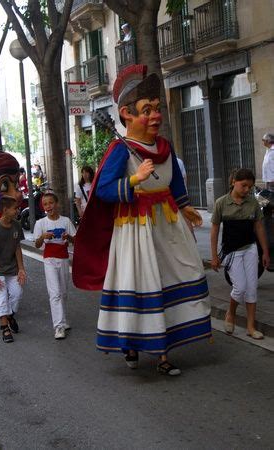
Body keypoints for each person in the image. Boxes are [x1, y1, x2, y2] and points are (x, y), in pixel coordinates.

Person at [73, 64, 212, 376]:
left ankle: (164, 347)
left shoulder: (164, 147)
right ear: (126, 114)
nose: (155, 116)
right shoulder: (119, 151)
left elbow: (174, 181)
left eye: (157, 109)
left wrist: (185, 206)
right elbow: (105, 190)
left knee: (174, 278)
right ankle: (135, 345)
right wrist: (135, 179)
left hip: (168, 225)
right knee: (140, 283)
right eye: (146, 110)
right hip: (135, 228)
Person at [211, 168, 270, 340]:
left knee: (251, 289)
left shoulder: (252, 203)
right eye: (243, 185)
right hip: (231, 251)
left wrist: (265, 252)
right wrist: (215, 256)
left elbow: (259, 227)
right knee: (240, 287)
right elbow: (214, 231)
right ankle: (231, 313)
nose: (246, 190)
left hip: (250, 249)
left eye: (249, 187)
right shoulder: (221, 203)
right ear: (233, 182)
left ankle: (251, 327)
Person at [33, 193, 76, 340]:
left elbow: (74, 240)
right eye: (45, 204)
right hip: (49, 260)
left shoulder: (66, 221)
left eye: (51, 203)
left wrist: (68, 237)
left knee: (63, 292)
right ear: (43, 207)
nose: (49, 206)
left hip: (63, 259)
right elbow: (37, 244)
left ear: (56, 204)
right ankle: (58, 326)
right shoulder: (41, 223)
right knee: (55, 293)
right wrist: (42, 237)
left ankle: (63, 320)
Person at [0, 196, 26, 343]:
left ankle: (9, 316)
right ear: (5, 210)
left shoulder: (16, 225)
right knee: (2, 298)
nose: (17, 210)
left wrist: (21, 269)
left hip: (12, 269)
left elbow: (17, 248)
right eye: (14, 208)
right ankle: (5, 329)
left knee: (17, 294)